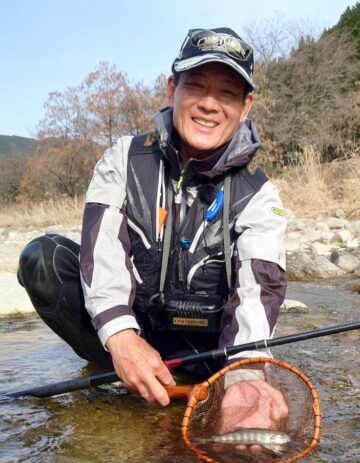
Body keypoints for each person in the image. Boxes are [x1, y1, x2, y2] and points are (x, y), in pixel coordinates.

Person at [18, 28, 288, 429]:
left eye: (227, 94)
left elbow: (258, 289)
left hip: (208, 353)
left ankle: (212, 381)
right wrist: (122, 337)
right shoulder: (123, 158)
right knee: (42, 258)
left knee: (244, 377)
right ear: (171, 89)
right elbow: (103, 250)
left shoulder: (259, 195)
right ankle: (118, 360)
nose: (209, 104)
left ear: (245, 106)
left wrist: (246, 371)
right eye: (196, 86)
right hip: (131, 331)